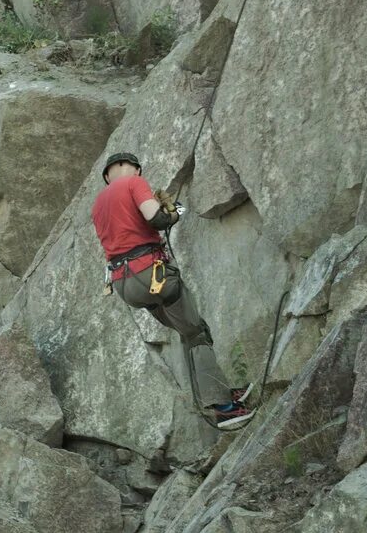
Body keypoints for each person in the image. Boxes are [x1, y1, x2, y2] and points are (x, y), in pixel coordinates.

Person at [91, 152, 253, 430]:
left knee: (185, 331)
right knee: (196, 332)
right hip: (151, 274)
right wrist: (175, 211)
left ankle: (216, 393)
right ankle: (224, 408)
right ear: (135, 169)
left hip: (124, 284)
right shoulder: (134, 183)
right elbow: (156, 219)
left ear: (107, 175)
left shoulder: (98, 204)